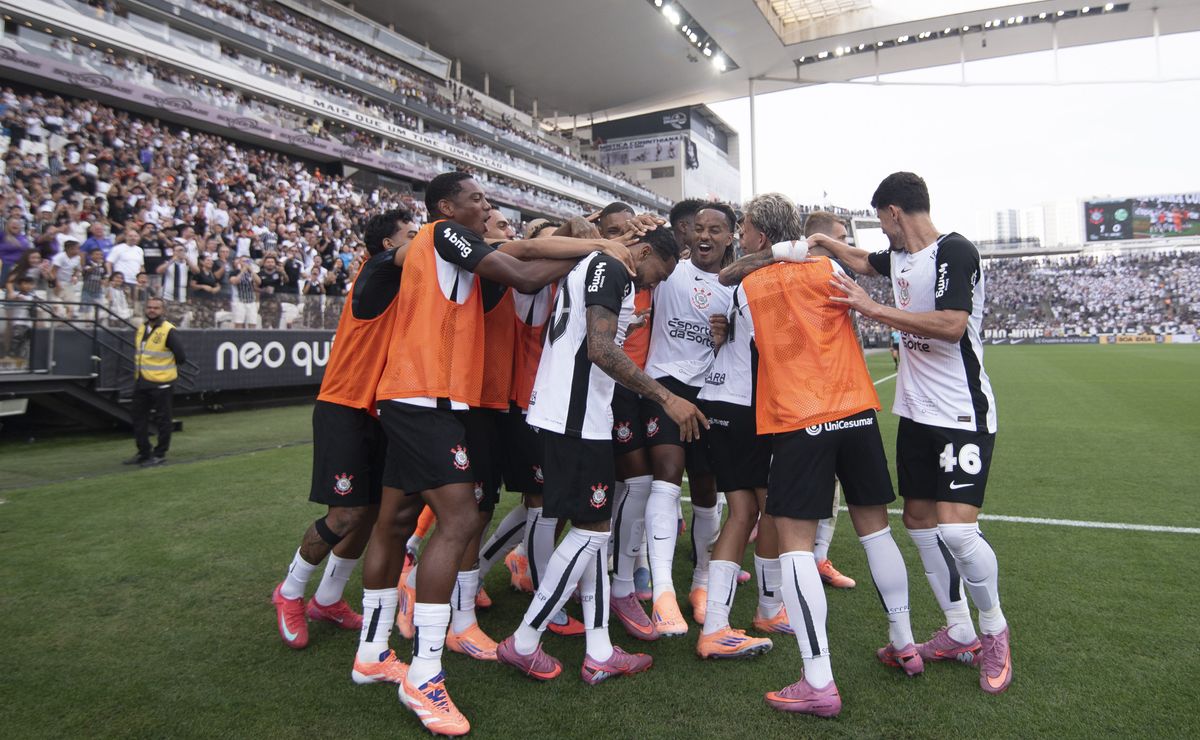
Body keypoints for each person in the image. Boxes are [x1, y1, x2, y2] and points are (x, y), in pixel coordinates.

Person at [373, 172, 637, 735]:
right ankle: (424, 675)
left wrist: (595, 247)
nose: (486, 205)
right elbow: (521, 272)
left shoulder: (456, 246)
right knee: (462, 517)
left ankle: (374, 651)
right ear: (446, 205)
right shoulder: (443, 232)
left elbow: (525, 257)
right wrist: (601, 251)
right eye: (478, 198)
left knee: (397, 517)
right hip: (425, 396)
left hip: (430, 397)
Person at [723, 192, 918, 716]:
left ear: (760, 236)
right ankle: (904, 642)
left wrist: (767, 264)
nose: (738, 236)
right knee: (876, 530)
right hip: (855, 408)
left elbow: (740, 324)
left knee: (793, 544)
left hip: (799, 418)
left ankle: (817, 678)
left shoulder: (747, 283)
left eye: (743, 228)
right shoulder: (828, 266)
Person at [816, 171, 1010, 695]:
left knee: (957, 533)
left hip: (961, 414)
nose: (881, 234)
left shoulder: (955, 252)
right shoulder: (898, 255)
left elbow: (951, 325)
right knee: (920, 522)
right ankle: (958, 630)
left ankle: (994, 631)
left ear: (895, 213)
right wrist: (821, 241)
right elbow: (860, 261)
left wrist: (872, 308)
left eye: (882, 221)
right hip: (917, 414)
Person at [497, 225, 705, 685]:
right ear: (645, 250)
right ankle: (525, 640)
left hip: (576, 414)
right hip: (573, 419)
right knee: (591, 535)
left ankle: (599, 649)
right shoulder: (612, 267)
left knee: (595, 533)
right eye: (656, 275)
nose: (651, 285)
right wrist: (667, 398)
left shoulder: (597, 266)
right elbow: (601, 348)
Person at [271, 210, 417, 687]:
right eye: (409, 235)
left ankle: (328, 601)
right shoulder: (376, 271)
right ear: (386, 246)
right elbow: (429, 250)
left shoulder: (402, 287)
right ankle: (290, 592)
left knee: (371, 514)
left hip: (375, 412)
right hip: (343, 406)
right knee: (345, 515)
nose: (418, 240)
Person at [641, 203, 737, 636]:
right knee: (666, 471)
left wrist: (725, 336)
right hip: (664, 384)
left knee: (705, 485)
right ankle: (663, 592)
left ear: (730, 237)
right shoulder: (670, 271)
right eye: (698, 228)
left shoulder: (736, 288)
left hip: (711, 391)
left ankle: (700, 584)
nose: (705, 235)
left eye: (715, 229)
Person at [799, 211, 858, 591]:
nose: (847, 245)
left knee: (832, 478)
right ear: (819, 240)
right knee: (794, 481)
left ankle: (818, 557)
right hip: (798, 394)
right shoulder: (793, 274)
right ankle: (796, 561)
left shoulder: (838, 275)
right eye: (841, 237)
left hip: (835, 391)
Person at [125, 296, 187, 467]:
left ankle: (159, 453)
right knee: (138, 418)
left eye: (156, 308)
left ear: (163, 311)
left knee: (163, 419)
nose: (152, 310)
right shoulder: (142, 328)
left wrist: (163, 369)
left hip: (162, 383)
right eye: (150, 307)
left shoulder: (168, 330)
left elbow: (181, 356)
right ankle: (143, 452)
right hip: (142, 381)